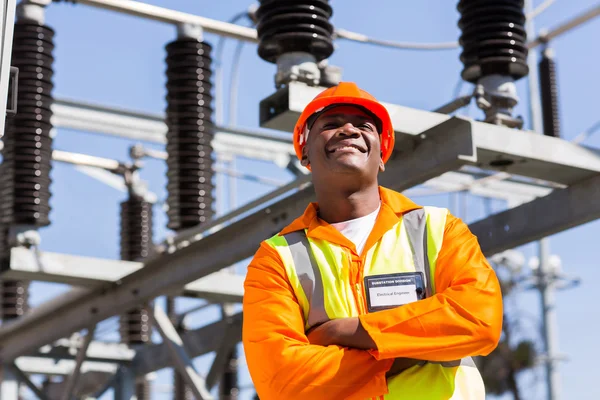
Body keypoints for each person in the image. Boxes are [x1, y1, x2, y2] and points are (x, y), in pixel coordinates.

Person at [242, 82, 503, 400]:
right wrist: (417, 349)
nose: (348, 129)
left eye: (363, 125)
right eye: (331, 124)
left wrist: (347, 332)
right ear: (305, 153)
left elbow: (478, 319)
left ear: (382, 153)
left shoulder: (440, 229)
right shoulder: (276, 259)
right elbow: (282, 381)